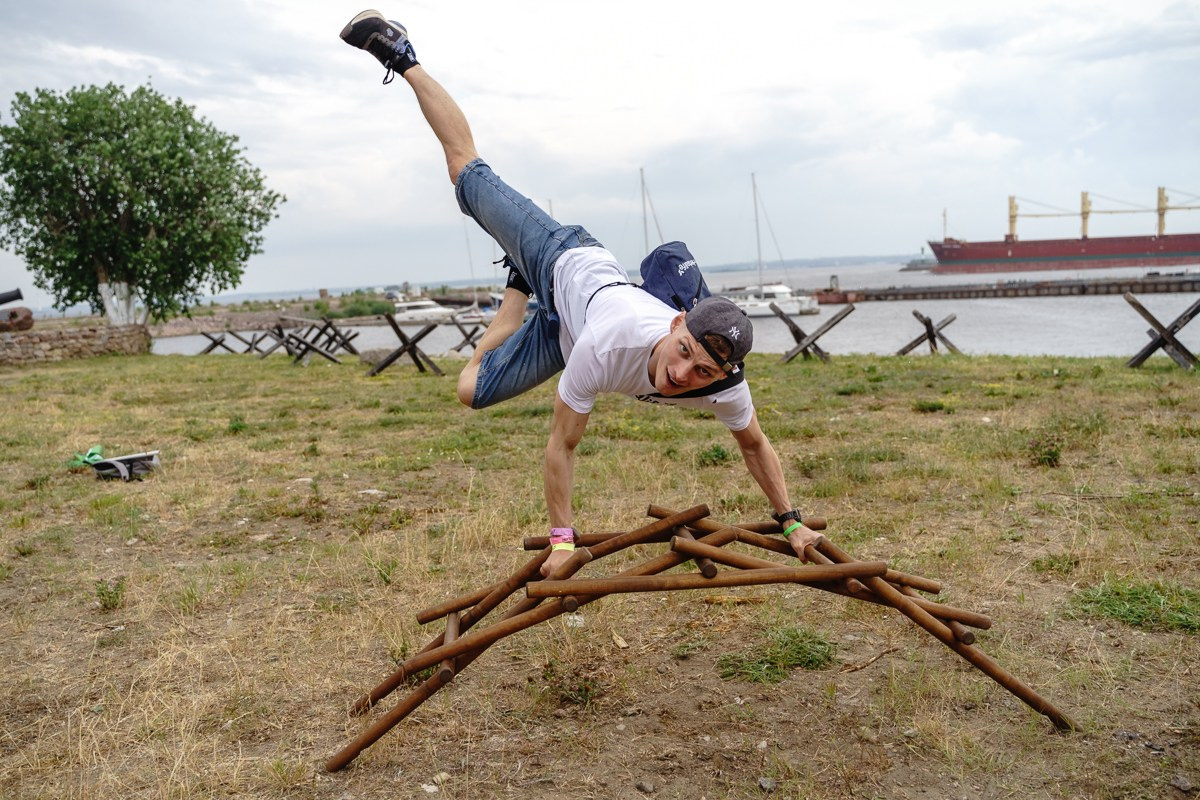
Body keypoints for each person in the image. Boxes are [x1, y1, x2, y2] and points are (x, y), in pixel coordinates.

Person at [341, 10, 821, 575]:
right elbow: (562, 444)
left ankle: (516, 292)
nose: (685, 374)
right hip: (563, 257)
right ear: (676, 326)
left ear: (723, 378)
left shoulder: (725, 387)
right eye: (686, 351)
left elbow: (755, 445)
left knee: (469, 391)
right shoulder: (613, 347)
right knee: (462, 167)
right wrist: (563, 540)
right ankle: (402, 55)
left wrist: (791, 520)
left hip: (566, 331)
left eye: (705, 374)